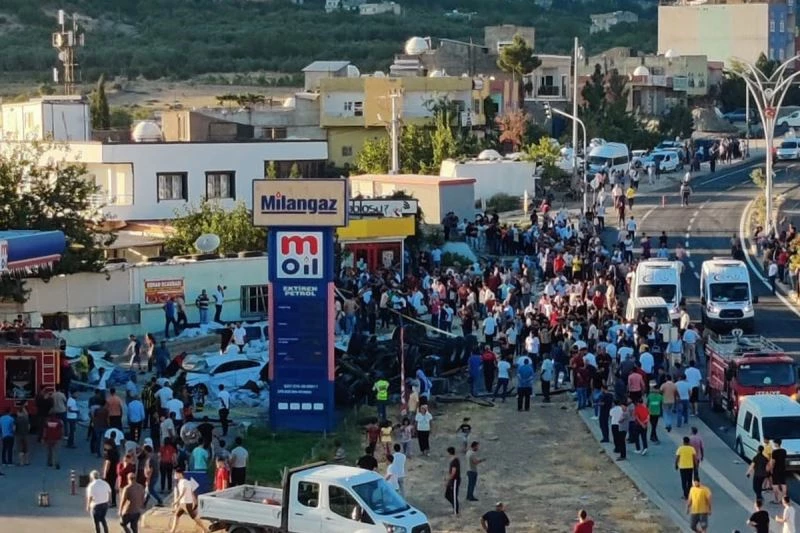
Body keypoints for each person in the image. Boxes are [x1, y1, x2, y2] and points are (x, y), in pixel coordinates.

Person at [169, 468, 209, 533]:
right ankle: (173, 530)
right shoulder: (186, 481)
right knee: (176, 515)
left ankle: (205, 529)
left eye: (176, 474)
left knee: (194, 517)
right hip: (184, 503)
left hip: (185, 503)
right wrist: (194, 501)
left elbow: (182, 493)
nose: (175, 475)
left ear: (180, 474)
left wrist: (176, 502)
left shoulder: (183, 482)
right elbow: (191, 492)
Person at [771, 439, 788, 504]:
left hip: (776, 469)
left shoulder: (774, 452)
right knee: (783, 483)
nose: (774, 444)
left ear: (776, 444)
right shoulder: (784, 451)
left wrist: (771, 469)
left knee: (775, 484)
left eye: (774, 443)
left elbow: (773, 462)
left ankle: (777, 499)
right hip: (783, 469)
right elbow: (785, 459)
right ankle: (784, 498)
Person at [444, 446, 461, 515]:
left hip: (455, 480)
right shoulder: (454, 460)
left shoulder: (454, 461)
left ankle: (456, 511)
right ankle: (455, 505)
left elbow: (453, 472)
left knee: (454, 495)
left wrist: (448, 480)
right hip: (452, 480)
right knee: (447, 495)